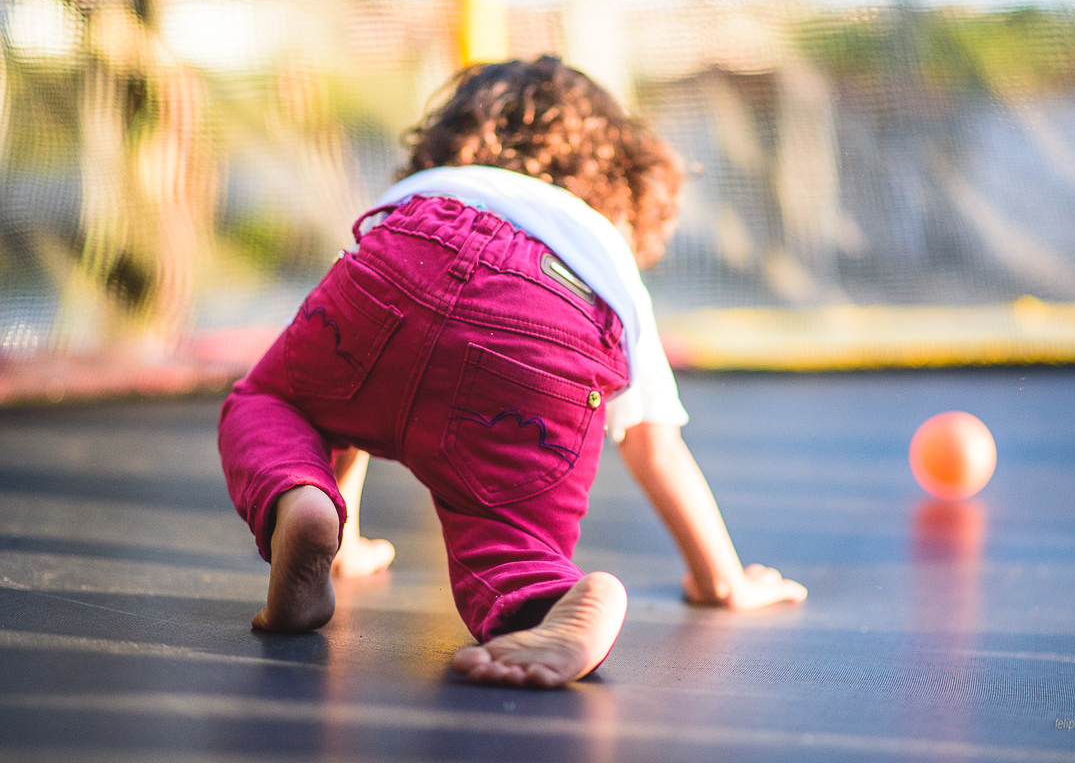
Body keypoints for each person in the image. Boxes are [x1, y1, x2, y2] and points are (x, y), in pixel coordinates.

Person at [218, 56, 806, 689]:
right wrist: (723, 582)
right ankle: (551, 603)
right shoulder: (602, 255)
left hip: (412, 244)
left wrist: (343, 541)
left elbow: (345, 404)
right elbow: (655, 451)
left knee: (280, 403)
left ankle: (299, 500)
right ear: (621, 185)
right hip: (552, 319)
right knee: (508, 536)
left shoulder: (446, 182)